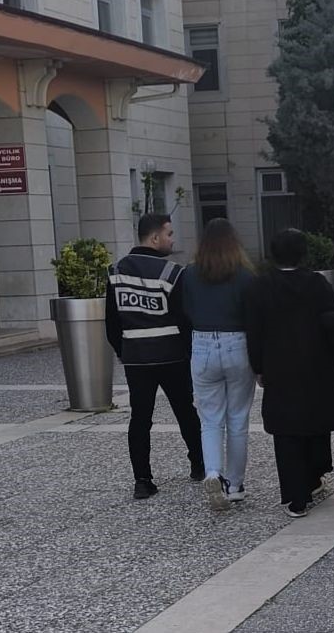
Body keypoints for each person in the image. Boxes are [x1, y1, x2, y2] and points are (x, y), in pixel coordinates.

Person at [244, 229, 334, 518]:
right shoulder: (318, 284)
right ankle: (314, 476)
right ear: (303, 254)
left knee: (286, 430)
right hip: (317, 364)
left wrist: (258, 366)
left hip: (278, 366)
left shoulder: (259, 287)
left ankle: (295, 496)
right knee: (315, 423)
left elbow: (253, 331)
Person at [105, 213, 204, 500]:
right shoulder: (172, 272)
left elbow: (111, 322)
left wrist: (123, 351)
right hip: (171, 355)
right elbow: (185, 319)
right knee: (185, 411)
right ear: (155, 237)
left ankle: (142, 480)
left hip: (136, 357)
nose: (172, 240)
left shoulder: (115, 271)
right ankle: (198, 464)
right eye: (169, 234)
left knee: (140, 418)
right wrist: (188, 353)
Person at [180, 218, 257, 511]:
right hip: (237, 343)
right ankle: (235, 484)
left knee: (210, 419)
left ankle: (213, 472)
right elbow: (252, 316)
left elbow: (186, 311)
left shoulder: (189, 274)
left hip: (202, 343)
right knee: (238, 418)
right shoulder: (245, 276)